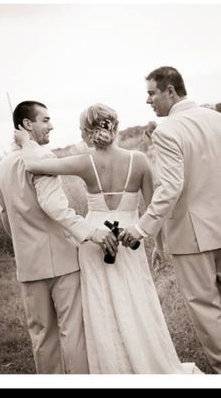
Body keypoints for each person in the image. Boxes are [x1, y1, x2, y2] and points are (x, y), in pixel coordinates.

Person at [14, 102, 202, 374]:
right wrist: (158, 246)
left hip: (94, 241)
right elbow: (154, 208)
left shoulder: (84, 161)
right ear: (113, 125)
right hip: (131, 239)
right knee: (139, 303)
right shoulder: (138, 160)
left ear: (88, 131)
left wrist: (25, 141)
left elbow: (32, 165)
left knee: (101, 307)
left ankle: (111, 370)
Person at [0, 100, 117, 374]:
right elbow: (56, 207)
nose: (51, 126)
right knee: (72, 332)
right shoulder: (43, 159)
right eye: (46, 120)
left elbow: (5, 217)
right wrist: (89, 233)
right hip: (61, 260)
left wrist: (22, 241)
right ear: (27, 124)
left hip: (27, 265)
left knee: (41, 337)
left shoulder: (1, 168)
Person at [119, 66, 221, 374]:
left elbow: (170, 187)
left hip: (193, 235)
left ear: (170, 91)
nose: (148, 101)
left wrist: (141, 228)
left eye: (152, 93)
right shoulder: (217, 120)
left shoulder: (167, 131)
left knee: (206, 308)